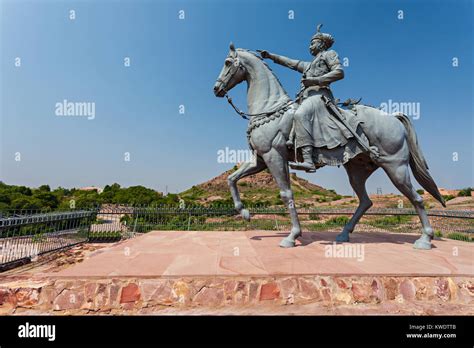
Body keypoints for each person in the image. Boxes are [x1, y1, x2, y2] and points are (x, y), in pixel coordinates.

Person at [259, 24, 344, 172]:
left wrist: (316, 81)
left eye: (313, 42)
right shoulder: (308, 65)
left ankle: (309, 161)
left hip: (320, 95)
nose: (310, 46)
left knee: (300, 114)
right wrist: (270, 56)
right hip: (305, 98)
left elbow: (339, 72)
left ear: (322, 44)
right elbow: (290, 62)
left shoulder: (329, 54)